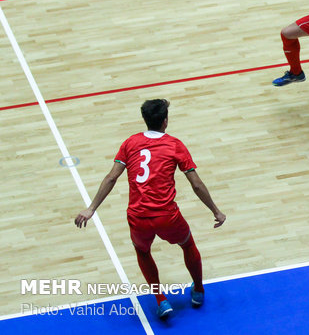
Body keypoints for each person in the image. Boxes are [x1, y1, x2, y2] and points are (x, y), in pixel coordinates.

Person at [74, 99, 226, 319]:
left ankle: (160, 300)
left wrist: (91, 208)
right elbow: (196, 184)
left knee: (143, 251)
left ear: (145, 120)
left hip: (138, 218)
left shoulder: (130, 143)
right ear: (165, 121)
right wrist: (215, 210)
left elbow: (111, 177)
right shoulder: (175, 145)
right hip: (167, 217)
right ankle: (199, 291)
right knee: (187, 244)